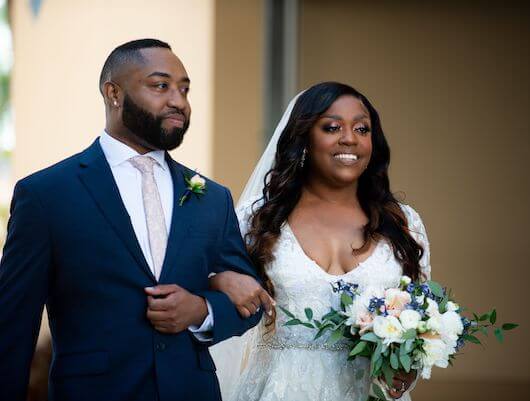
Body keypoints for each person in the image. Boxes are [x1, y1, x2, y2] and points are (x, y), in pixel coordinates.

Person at [0, 38, 272, 401]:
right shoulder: (47, 194)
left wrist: (201, 309)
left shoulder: (212, 198)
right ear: (114, 93)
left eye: (184, 89)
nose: (178, 101)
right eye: (161, 86)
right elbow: (13, 324)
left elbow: (249, 301)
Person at [211, 82, 431, 401]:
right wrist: (221, 280)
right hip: (279, 390)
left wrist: (407, 366)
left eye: (362, 128)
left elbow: (421, 322)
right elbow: (218, 303)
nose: (349, 138)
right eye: (331, 127)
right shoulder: (256, 220)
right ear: (304, 139)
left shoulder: (405, 224)